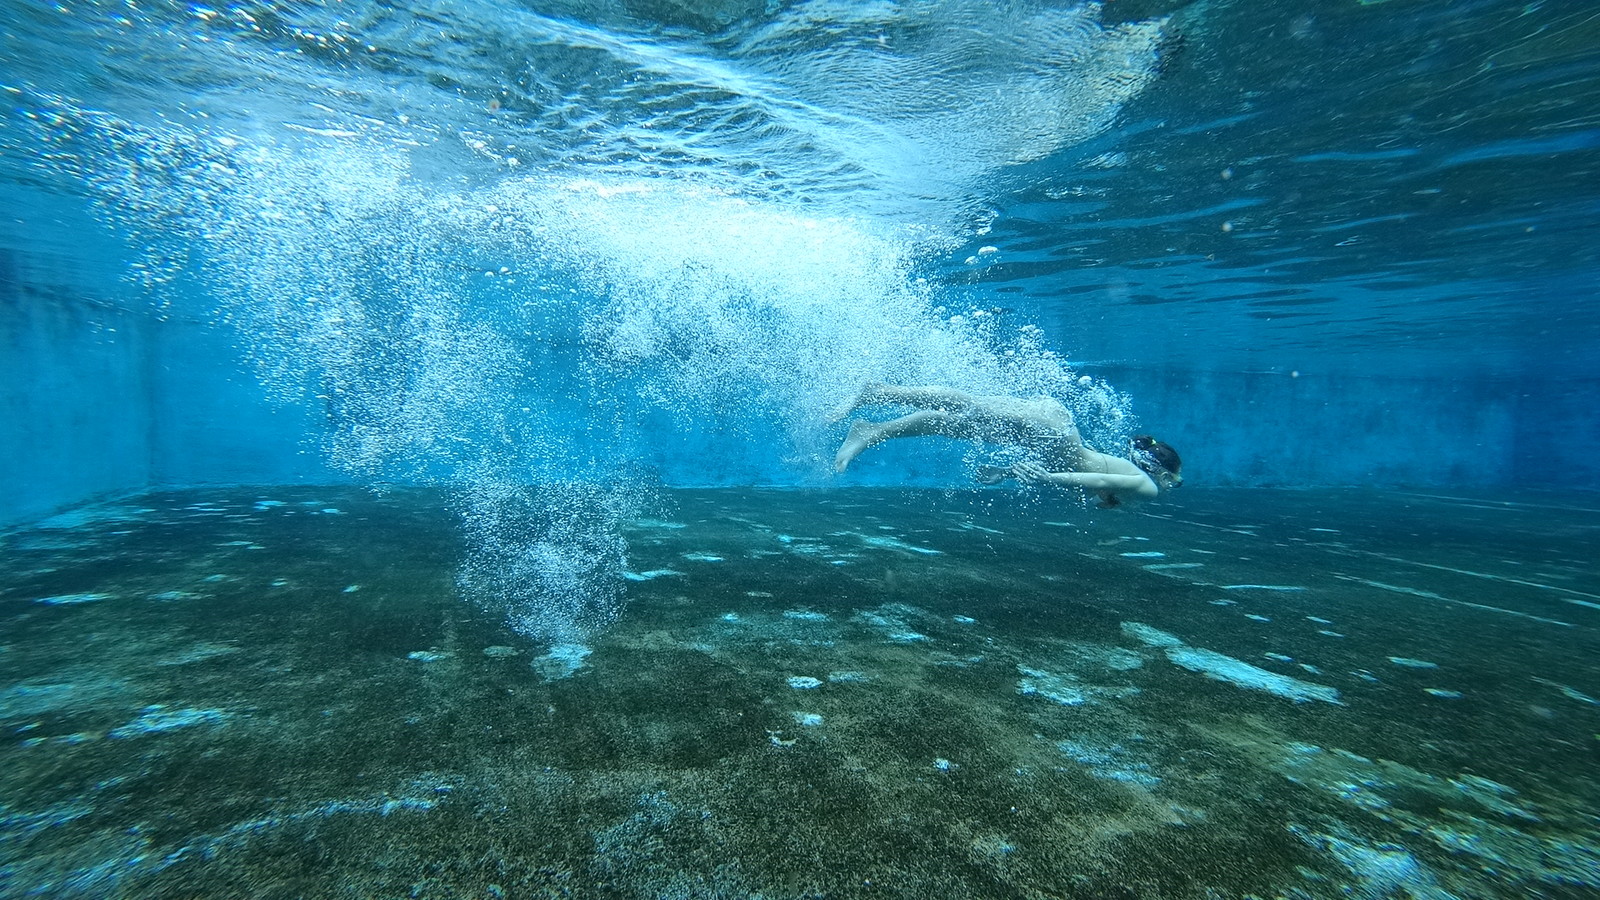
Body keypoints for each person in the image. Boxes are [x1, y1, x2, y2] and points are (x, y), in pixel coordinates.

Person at [832, 383, 1181, 507]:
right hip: (1053, 432)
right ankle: (878, 393)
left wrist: (1006, 473)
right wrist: (1045, 480)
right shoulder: (1147, 487)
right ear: (1162, 473)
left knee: (954, 426)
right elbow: (1098, 481)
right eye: (1174, 481)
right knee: (968, 405)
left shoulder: (1137, 483)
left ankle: (871, 432)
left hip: (1046, 440)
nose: (1172, 487)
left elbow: (1069, 473)